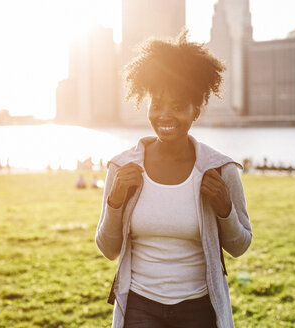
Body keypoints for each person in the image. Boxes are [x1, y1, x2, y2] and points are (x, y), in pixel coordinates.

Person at [96, 31, 252, 328]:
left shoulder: (220, 169)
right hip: (139, 305)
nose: (165, 116)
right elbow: (108, 249)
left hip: (198, 307)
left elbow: (240, 246)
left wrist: (224, 209)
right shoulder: (122, 167)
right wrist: (115, 202)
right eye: (156, 105)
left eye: (178, 106)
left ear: (196, 109)